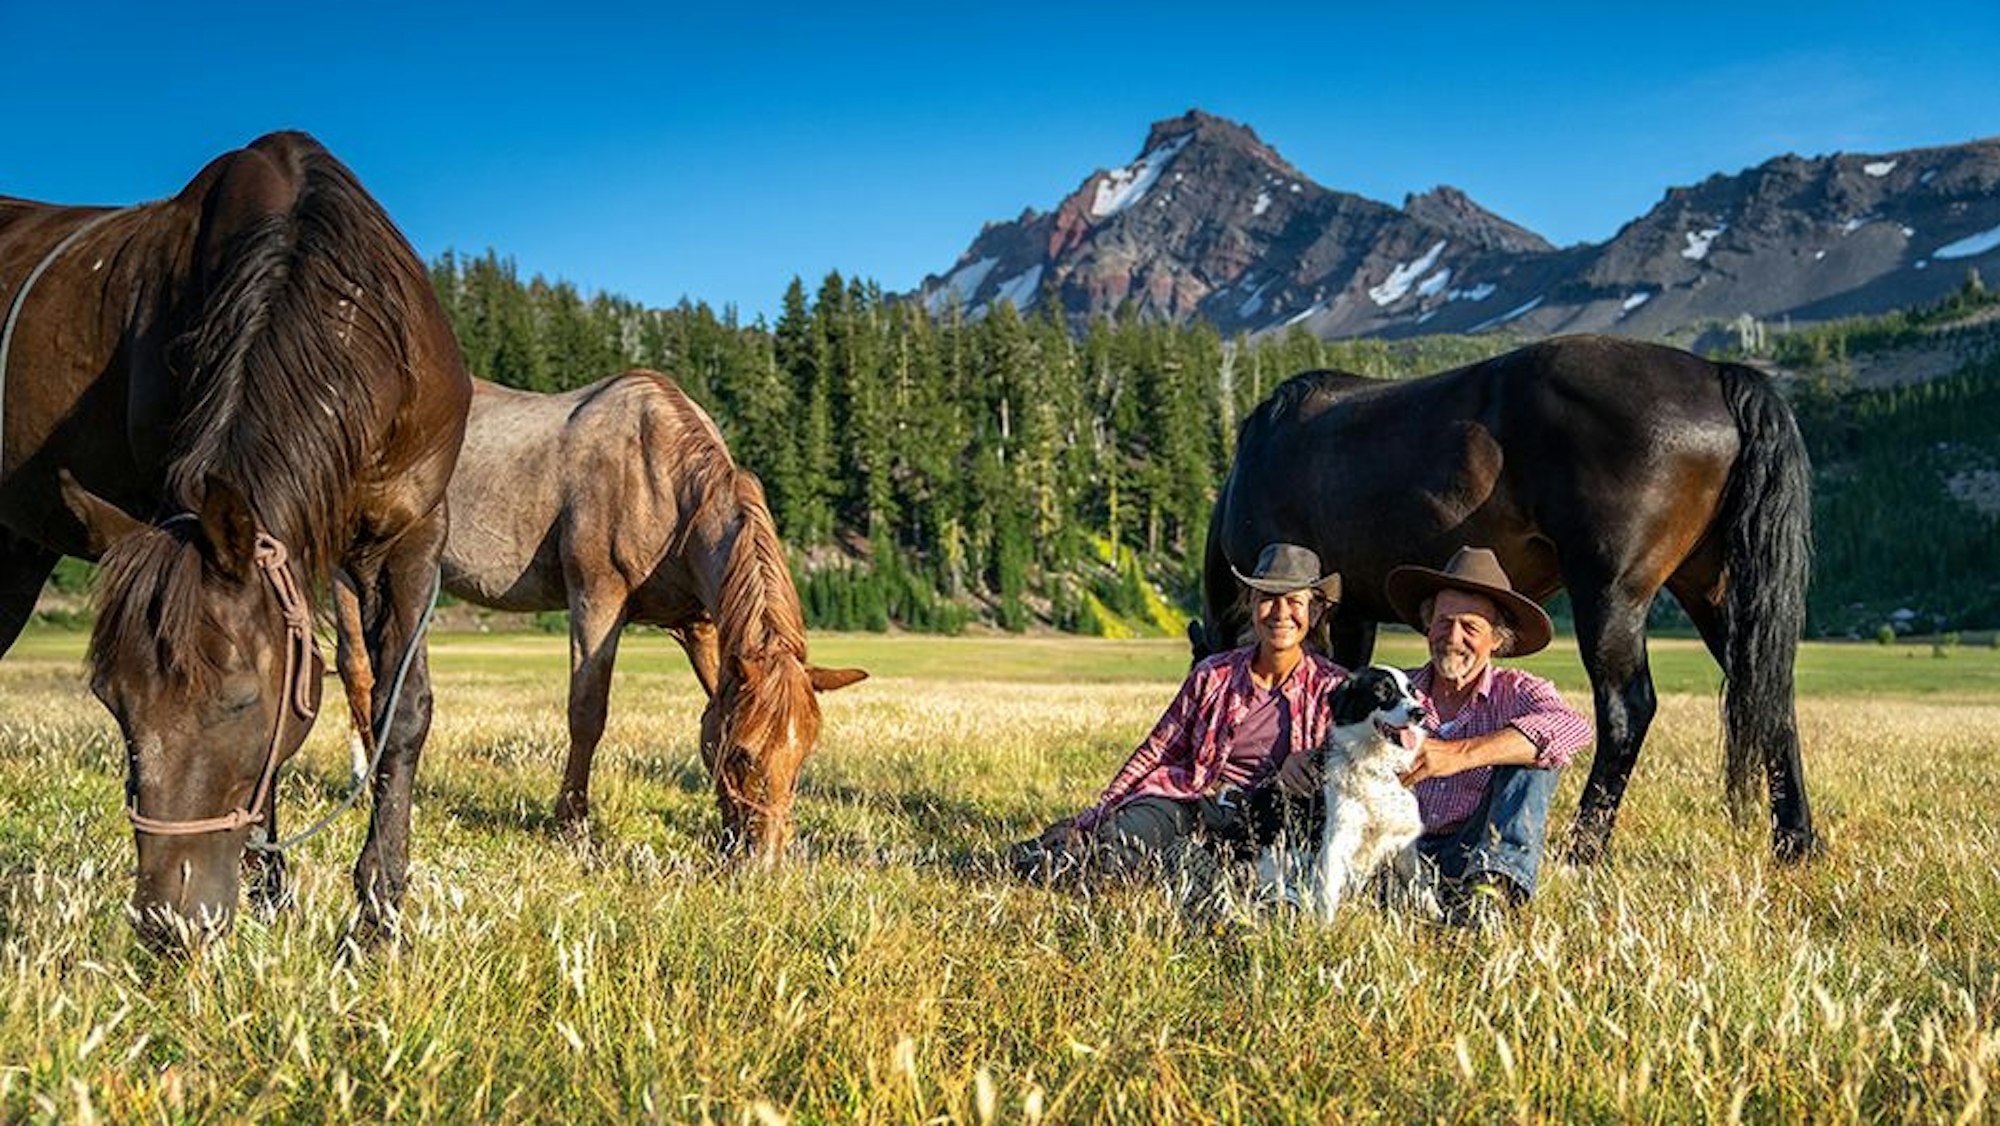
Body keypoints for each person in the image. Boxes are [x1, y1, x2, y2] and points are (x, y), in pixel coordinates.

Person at [1009, 543, 1348, 884]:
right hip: (1195, 801)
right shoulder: (1212, 675)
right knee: (1119, 846)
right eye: (1268, 599)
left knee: (1280, 867)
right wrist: (1091, 819)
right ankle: (1049, 862)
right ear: (1251, 604)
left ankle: (1196, 869)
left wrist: (1309, 759)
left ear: (1315, 613)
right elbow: (1155, 751)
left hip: (1273, 819)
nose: (1280, 612)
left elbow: (1378, 746)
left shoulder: (1335, 688)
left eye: (1295, 602)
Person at [1382, 546, 1593, 924]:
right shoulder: (1393, 688)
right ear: (1428, 625)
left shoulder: (1518, 691)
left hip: (1471, 848)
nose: (1452, 637)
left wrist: (1460, 753)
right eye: (1443, 622)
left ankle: (1490, 891)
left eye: (1471, 627)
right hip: (1395, 853)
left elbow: (1572, 726)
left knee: (1538, 758)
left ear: (1496, 639)